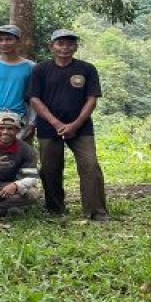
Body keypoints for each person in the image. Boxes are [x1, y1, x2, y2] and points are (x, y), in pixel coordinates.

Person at [28, 29, 109, 221]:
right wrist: (56, 123)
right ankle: (55, 209)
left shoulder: (87, 69)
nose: (65, 48)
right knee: (50, 168)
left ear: (76, 47)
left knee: (90, 165)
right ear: (52, 46)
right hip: (48, 127)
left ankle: (96, 211)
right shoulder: (40, 69)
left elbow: (91, 99)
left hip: (81, 128)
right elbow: (34, 99)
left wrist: (75, 124)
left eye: (70, 44)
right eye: (60, 43)